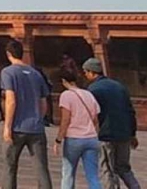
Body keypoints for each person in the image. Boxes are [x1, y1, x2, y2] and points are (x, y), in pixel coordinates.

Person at [0, 39, 54, 189]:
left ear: (8, 54)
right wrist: (39, 118)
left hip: (17, 127)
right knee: (41, 168)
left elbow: (11, 100)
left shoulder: (8, 72)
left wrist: (7, 126)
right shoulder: (36, 74)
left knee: (10, 167)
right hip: (36, 128)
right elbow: (43, 102)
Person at [82, 57, 141, 189]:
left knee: (107, 169)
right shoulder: (119, 86)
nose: (85, 75)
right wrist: (132, 133)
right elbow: (130, 111)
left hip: (106, 134)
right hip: (124, 133)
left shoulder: (93, 90)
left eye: (86, 72)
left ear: (92, 72)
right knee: (124, 168)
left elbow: (92, 115)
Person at [52, 64, 102, 189]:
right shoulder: (88, 94)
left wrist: (58, 140)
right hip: (91, 138)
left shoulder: (66, 95)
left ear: (63, 81)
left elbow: (65, 120)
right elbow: (96, 119)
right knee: (93, 176)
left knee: (68, 174)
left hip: (74, 139)